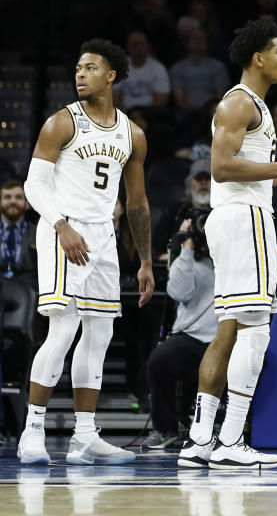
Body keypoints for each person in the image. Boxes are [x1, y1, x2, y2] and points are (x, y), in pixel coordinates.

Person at [177, 20, 277, 470]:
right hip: (245, 222)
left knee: (228, 331)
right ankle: (231, 442)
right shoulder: (240, 103)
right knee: (257, 330)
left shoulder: (249, 104)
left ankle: (201, 440)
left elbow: (244, 171)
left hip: (234, 218)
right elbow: (222, 168)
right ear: (258, 58)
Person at [18, 38, 155, 465]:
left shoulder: (132, 133)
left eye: (90, 67)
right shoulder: (62, 122)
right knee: (63, 329)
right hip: (64, 230)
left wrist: (147, 259)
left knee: (100, 334)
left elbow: (137, 202)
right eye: (78, 67)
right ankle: (33, 431)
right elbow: (34, 184)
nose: (80, 73)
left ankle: (83, 436)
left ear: (110, 75)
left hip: (102, 235)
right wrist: (60, 225)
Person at [144, 215, 218, 449]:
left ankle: (236, 427)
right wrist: (186, 248)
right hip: (191, 337)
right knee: (160, 360)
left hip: (224, 338)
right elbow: (179, 293)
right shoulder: (186, 261)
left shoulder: (232, 258)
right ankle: (165, 429)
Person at [1, 180, 37, 286]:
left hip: (29, 289)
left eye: (18, 197)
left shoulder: (38, 233)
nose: (13, 201)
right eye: (7, 197)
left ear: (27, 204)